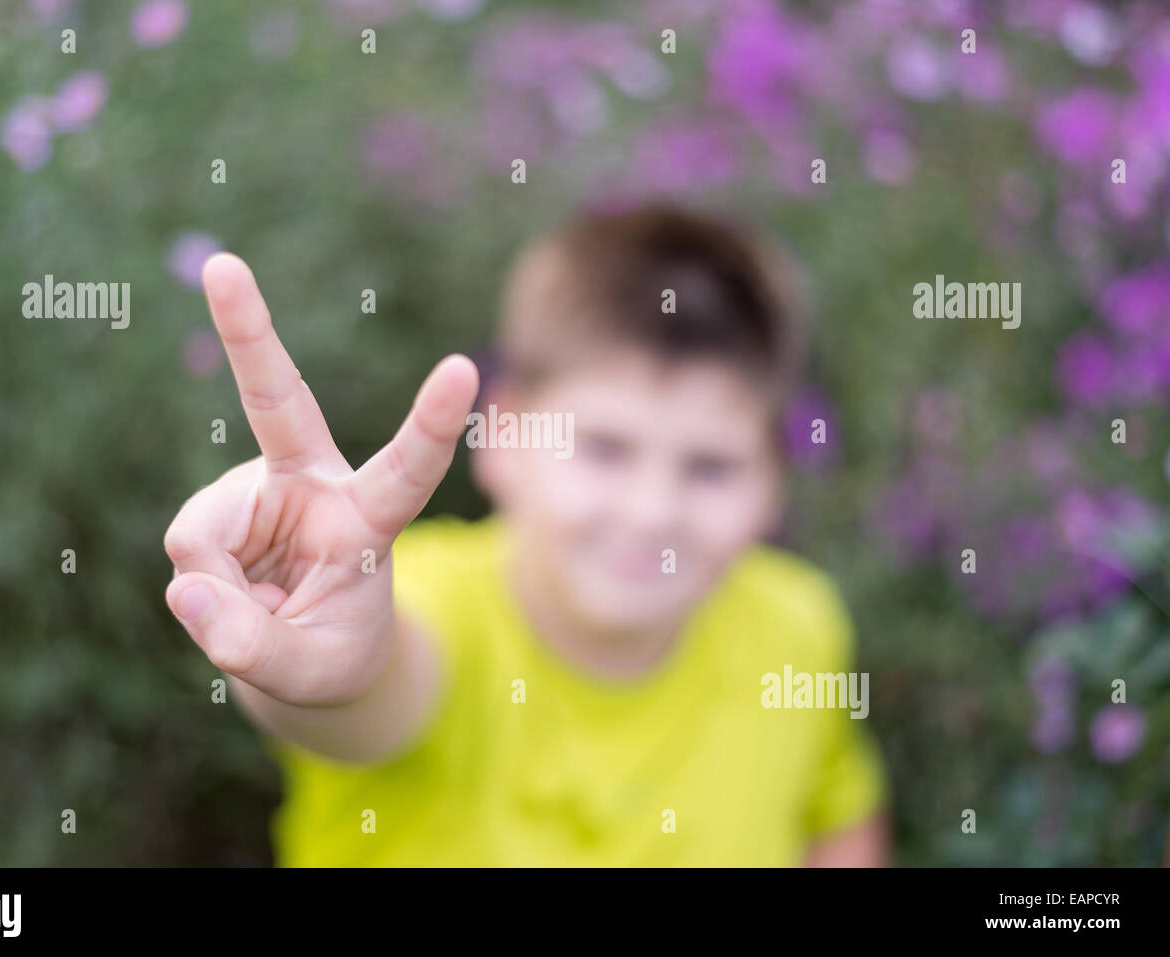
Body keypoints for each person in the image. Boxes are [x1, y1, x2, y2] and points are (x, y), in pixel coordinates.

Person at [162, 200, 890, 866]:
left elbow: (837, 818)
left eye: (711, 467)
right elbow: (367, 688)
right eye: (604, 449)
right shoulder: (436, 598)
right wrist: (319, 661)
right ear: (503, 433)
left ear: (777, 481)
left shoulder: (797, 625)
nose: (651, 512)